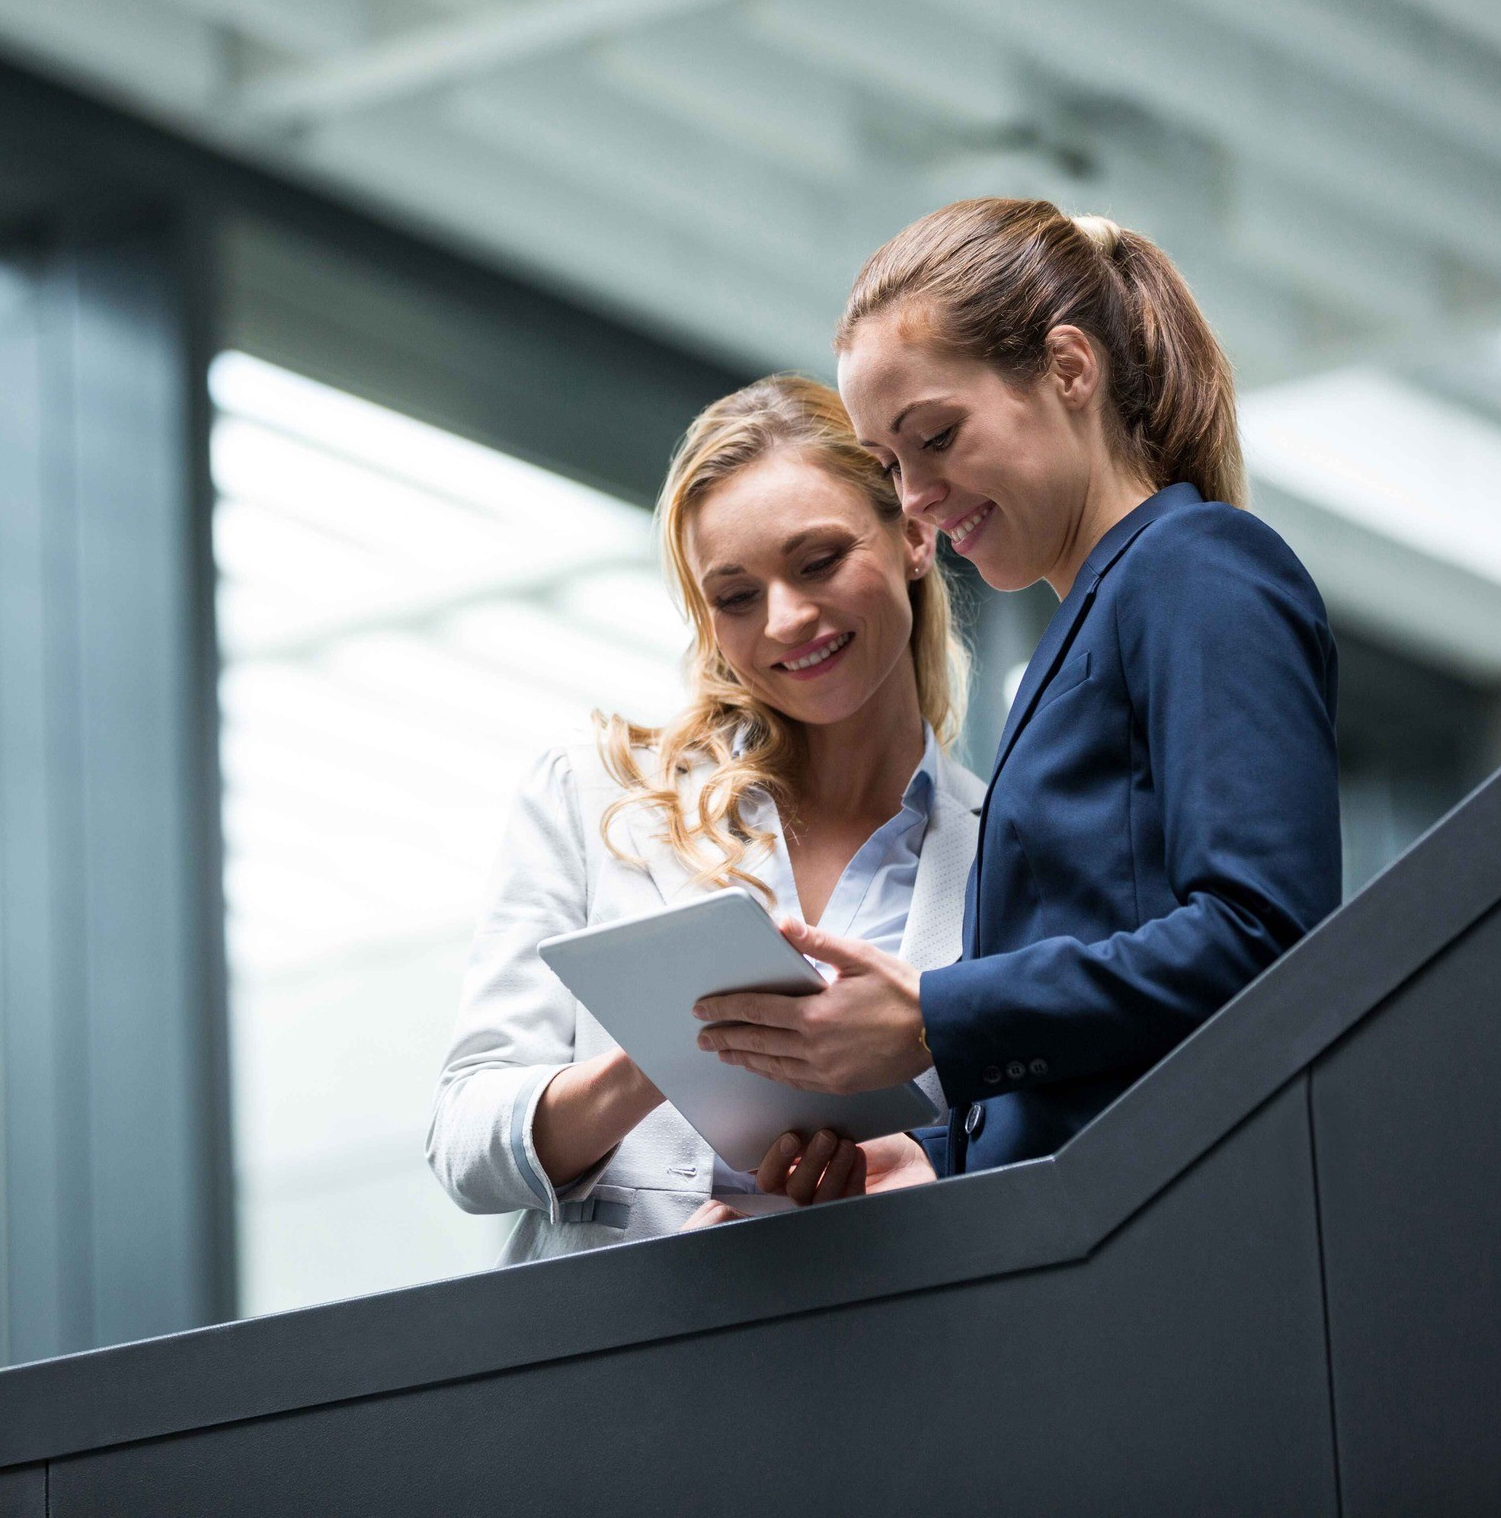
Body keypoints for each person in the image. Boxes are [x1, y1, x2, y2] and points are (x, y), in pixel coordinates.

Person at [695, 198, 1341, 1186]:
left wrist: (935, 1018)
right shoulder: (1093, 623)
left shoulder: (1193, 567)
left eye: (937, 435)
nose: (915, 497)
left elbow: (1268, 939)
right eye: (889, 464)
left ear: (1070, 369)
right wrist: (930, 1158)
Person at [427, 374, 986, 1259]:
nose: (787, 619)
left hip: (891, 1330)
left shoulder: (1004, 848)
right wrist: (661, 1058)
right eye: (736, 597)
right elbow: (465, 1143)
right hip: (620, 1337)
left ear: (915, 534)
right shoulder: (593, 793)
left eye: (818, 562)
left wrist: (918, 1165)